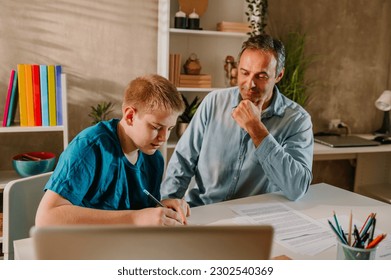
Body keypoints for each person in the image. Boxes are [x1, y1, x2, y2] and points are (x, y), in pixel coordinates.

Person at [161, 34, 314, 207]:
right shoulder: (214, 102)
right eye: (245, 73)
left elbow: (297, 188)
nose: (250, 84)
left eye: (261, 76)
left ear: (279, 75)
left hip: (253, 220)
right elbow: (183, 160)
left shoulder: (297, 121)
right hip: (204, 211)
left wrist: (257, 129)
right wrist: (169, 200)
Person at [35, 74, 190, 226]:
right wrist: (136, 218)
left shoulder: (154, 159)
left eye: (169, 129)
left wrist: (161, 209)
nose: (164, 138)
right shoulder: (90, 147)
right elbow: (46, 218)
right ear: (130, 116)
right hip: (87, 245)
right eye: (156, 127)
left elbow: (139, 212)